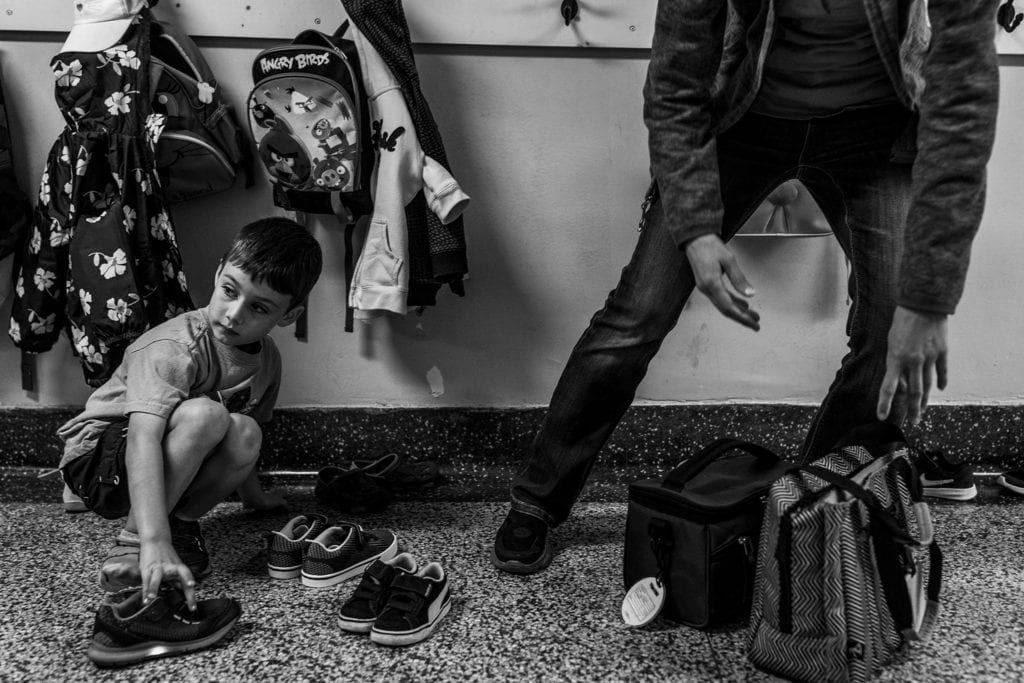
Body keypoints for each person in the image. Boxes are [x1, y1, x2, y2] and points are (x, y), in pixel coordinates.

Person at [492, 0, 999, 574]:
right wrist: (697, 230)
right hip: (743, 124)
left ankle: (810, 507)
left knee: (890, 330)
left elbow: (963, 107)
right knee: (639, 313)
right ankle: (538, 498)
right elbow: (676, 86)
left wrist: (929, 298)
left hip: (875, 130)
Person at [58, 217, 323, 607]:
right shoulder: (174, 345)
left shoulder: (267, 361)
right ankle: (134, 542)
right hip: (98, 462)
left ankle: (179, 525)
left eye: (258, 308)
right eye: (229, 291)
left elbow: (246, 440)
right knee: (206, 416)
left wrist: (255, 498)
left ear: (287, 316)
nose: (233, 314)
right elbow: (144, 437)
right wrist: (151, 540)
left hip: (159, 463)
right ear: (218, 272)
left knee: (247, 430)